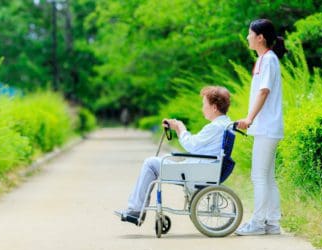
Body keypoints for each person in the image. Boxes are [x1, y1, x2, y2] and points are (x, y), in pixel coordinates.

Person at [116, 86, 231, 222]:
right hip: (203, 167)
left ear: (214, 107)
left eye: (204, 104)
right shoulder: (225, 123)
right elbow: (198, 147)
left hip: (197, 172)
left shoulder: (215, 127)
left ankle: (135, 209)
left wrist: (180, 128)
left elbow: (192, 145)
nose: (202, 108)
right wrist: (178, 129)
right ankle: (136, 208)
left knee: (150, 163)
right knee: (158, 161)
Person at [234, 19, 287, 236]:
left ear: (260, 37)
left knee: (259, 177)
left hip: (266, 128)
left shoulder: (268, 60)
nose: (247, 37)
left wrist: (249, 119)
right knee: (267, 177)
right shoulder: (265, 59)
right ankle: (272, 223)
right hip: (268, 128)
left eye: (249, 34)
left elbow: (263, 91)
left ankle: (257, 223)